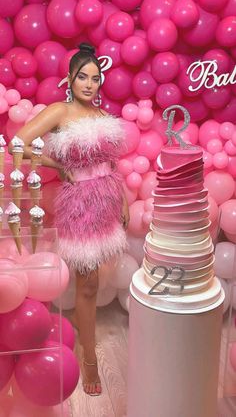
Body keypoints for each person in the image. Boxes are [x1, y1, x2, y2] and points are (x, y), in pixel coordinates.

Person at [9, 42, 129, 396]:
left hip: (108, 199)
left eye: (95, 78)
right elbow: (19, 141)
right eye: (83, 77)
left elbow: (112, 164)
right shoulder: (60, 111)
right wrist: (58, 165)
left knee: (92, 280)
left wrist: (122, 198)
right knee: (87, 282)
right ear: (70, 79)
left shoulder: (102, 118)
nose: (90, 85)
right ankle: (89, 358)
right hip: (80, 204)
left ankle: (83, 335)